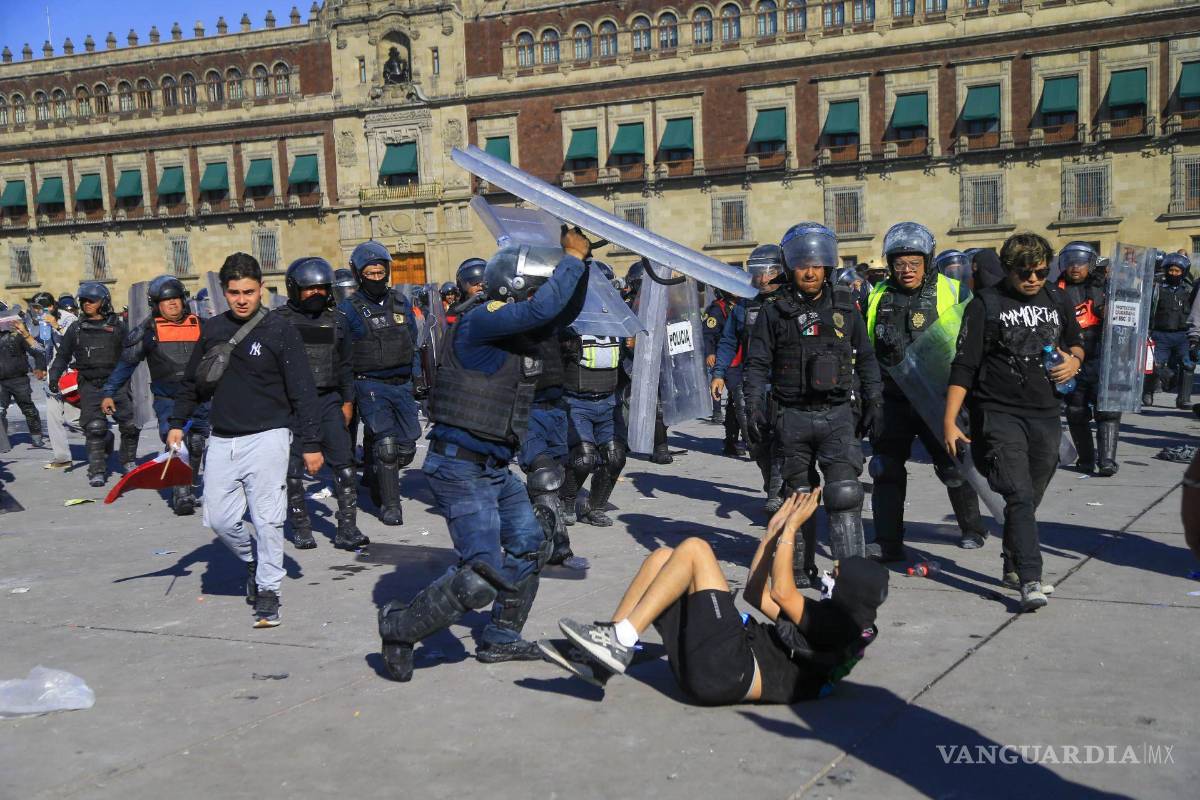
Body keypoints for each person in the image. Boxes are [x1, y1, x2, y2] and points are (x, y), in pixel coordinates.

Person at [376, 228, 589, 680]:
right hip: (458, 467)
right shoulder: (480, 319)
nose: (543, 295)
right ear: (515, 287)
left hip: (493, 469)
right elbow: (544, 306)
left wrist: (580, 265)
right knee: (481, 576)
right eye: (538, 284)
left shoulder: (516, 329)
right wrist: (570, 257)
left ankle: (501, 639)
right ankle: (399, 627)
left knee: (532, 547)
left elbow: (562, 308)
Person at [543, 491, 889, 703]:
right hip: (719, 669)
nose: (829, 577)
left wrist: (792, 531)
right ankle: (607, 654)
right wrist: (771, 535)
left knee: (696, 549)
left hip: (728, 671)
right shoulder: (831, 620)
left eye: (837, 575)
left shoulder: (838, 625)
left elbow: (783, 591)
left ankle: (620, 639)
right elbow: (756, 594)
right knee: (664, 559)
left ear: (851, 591)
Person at [167, 253, 323, 628]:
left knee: (268, 520)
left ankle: (269, 590)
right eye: (234, 292)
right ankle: (253, 561)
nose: (241, 299)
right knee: (218, 519)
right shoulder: (213, 329)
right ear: (224, 292)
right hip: (223, 439)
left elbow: (302, 389)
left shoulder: (280, 330)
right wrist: (177, 422)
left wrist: (311, 442)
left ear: (261, 291)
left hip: (269, 437)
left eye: (249, 292)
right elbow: (192, 381)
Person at [943, 232, 1084, 612]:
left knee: (1030, 496)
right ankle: (1030, 577)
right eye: (1025, 272)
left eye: (1040, 271)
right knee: (1018, 494)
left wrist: (1075, 359)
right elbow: (964, 366)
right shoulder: (985, 304)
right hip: (999, 412)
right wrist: (950, 420)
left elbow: (1076, 341)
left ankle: (1012, 562)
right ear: (1008, 269)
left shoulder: (1058, 299)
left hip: (1046, 414)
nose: (1033, 279)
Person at [743, 223, 883, 573]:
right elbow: (757, 363)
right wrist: (753, 405)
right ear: (791, 267)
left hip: (837, 414)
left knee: (845, 493)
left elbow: (865, 356)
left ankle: (851, 574)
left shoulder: (846, 306)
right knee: (798, 495)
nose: (810, 271)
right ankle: (798, 569)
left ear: (827, 266)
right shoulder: (774, 310)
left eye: (817, 264)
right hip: (792, 416)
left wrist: (874, 397)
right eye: (803, 264)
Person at [864, 223, 989, 562]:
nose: (907, 270)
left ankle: (972, 527)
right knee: (884, 468)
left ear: (928, 260)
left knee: (952, 467)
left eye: (914, 263)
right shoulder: (875, 295)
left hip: (939, 396)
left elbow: (975, 342)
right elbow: (863, 344)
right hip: (893, 397)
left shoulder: (955, 291)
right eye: (900, 263)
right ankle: (888, 541)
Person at [275, 257, 368, 551]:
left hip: (329, 400)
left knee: (345, 466)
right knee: (292, 470)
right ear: (294, 289)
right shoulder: (278, 322)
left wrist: (348, 401)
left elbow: (345, 365)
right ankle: (301, 527)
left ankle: (347, 529)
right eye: (308, 288)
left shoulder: (338, 320)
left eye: (320, 288)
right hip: (290, 404)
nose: (315, 293)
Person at [101, 276, 207, 515]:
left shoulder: (202, 326)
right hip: (168, 400)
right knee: (177, 445)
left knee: (198, 443)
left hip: (199, 399)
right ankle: (182, 496)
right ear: (156, 304)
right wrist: (108, 392)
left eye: (176, 299)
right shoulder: (147, 333)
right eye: (166, 300)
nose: (172, 304)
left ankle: (188, 485)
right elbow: (125, 366)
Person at [338, 241, 422, 526]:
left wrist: (419, 380)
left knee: (407, 445)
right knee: (386, 445)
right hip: (370, 384)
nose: (376, 278)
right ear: (359, 274)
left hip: (402, 384)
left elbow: (413, 343)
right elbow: (344, 357)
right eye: (370, 274)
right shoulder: (349, 309)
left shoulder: (400, 301)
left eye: (380, 272)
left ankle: (375, 472)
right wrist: (347, 397)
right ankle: (391, 506)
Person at [712, 244, 787, 515]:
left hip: (782, 380)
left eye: (770, 271)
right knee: (755, 439)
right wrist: (719, 373)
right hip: (751, 380)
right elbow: (729, 340)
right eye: (758, 272)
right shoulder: (744, 305)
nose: (764, 278)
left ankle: (777, 492)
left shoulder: (792, 301)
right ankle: (771, 483)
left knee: (782, 437)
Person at [48, 283, 140, 487]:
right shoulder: (77, 328)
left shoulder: (118, 326)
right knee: (95, 427)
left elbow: (132, 354)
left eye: (91, 300)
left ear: (103, 302)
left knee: (130, 425)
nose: (86, 304)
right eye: (83, 301)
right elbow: (63, 355)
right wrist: (54, 377)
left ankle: (128, 461)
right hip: (90, 383)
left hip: (117, 383)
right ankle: (97, 470)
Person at [1056, 242, 1120, 476]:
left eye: (1081, 263)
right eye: (1071, 263)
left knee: (1108, 410)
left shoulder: (1105, 288)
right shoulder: (1055, 291)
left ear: (1090, 265)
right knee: (1075, 411)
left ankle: (1107, 460)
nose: (1075, 268)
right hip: (1071, 357)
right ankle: (1085, 458)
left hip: (1103, 355)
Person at [560, 326, 625, 528]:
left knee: (615, 457)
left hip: (608, 403)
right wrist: (564, 344)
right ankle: (566, 501)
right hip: (577, 403)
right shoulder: (570, 327)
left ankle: (594, 507)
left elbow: (631, 368)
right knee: (584, 458)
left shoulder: (619, 329)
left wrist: (632, 349)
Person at [1143, 253, 1193, 409]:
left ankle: (1183, 399)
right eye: (1171, 270)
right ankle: (1148, 391)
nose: (1173, 273)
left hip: (1183, 335)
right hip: (1160, 334)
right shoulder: (1157, 289)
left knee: (1188, 365)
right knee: (1154, 365)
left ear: (1183, 272)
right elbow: (1148, 309)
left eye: (1177, 271)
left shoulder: (1189, 290)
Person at [702, 287, 743, 453]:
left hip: (745, 356)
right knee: (736, 398)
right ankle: (731, 440)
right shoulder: (718, 308)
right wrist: (710, 352)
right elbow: (708, 334)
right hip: (726, 356)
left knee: (740, 400)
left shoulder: (747, 304)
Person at [0, 315, 46, 447]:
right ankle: (2, 441)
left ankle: (36, 436)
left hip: (19, 379)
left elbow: (37, 352)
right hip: (1, 382)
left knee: (28, 409)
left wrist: (40, 367)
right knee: (0, 411)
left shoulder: (17, 335)